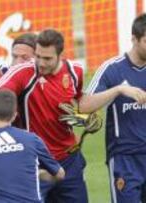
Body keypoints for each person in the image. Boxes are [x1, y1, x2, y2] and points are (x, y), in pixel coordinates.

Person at [0, 29, 87, 202]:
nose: (17, 61)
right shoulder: (18, 73)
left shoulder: (73, 71)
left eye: (24, 57)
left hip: (67, 158)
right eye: (14, 56)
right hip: (31, 162)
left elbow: (79, 101)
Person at [79, 14, 146, 203]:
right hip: (125, 158)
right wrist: (118, 90)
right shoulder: (112, 69)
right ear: (134, 38)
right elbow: (83, 105)